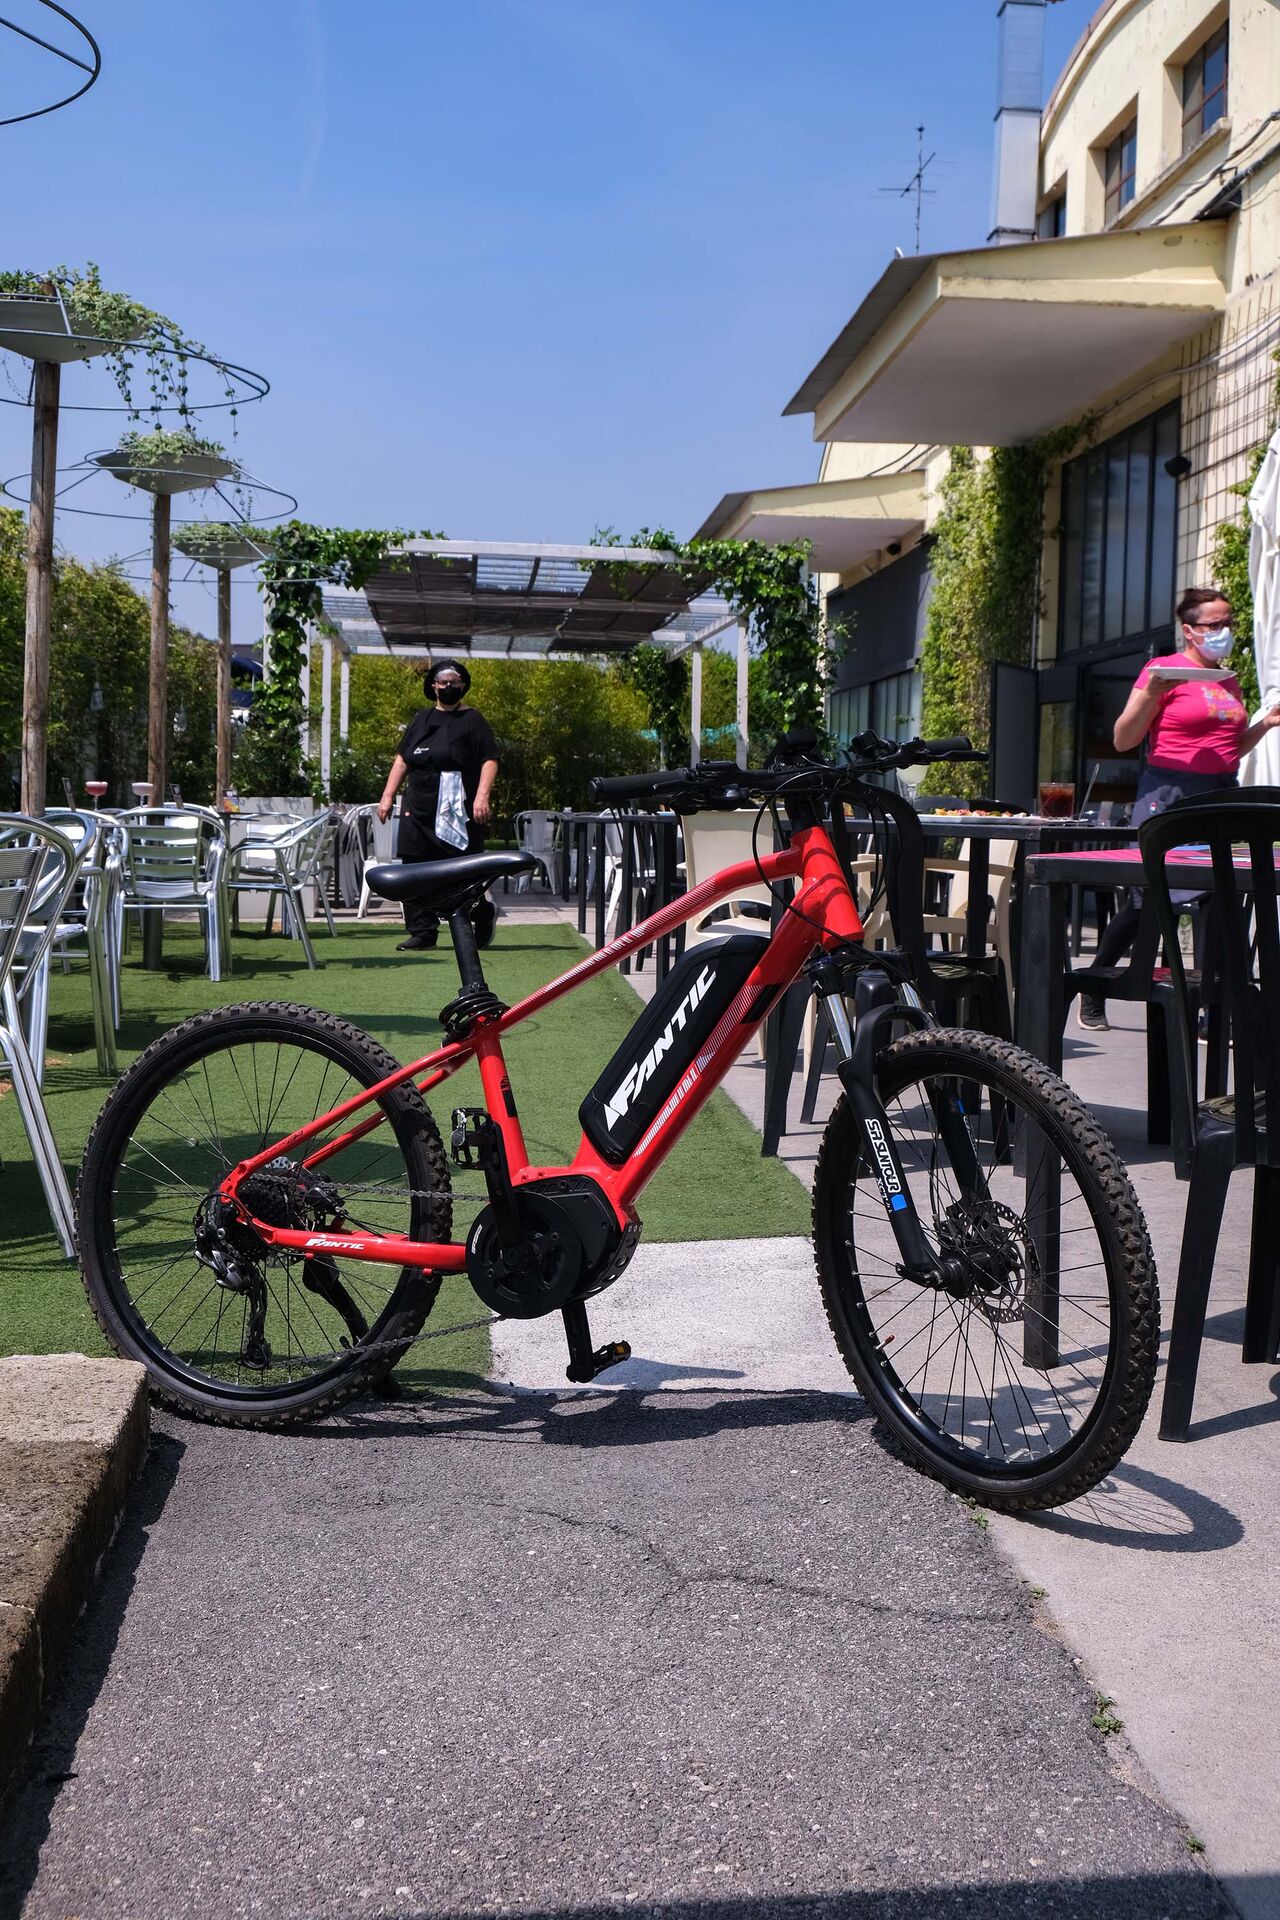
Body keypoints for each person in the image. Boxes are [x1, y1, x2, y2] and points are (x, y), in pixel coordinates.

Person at [1079, 586, 1280, 1029]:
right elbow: (1123, 739)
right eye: (1215, 624)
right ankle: (1094, 986)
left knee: (1216, 896)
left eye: (1229, 622)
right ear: (1190, 631)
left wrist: (1264, 724)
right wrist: (1152, 691)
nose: (1224, 631)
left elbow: (1229, 749)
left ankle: (1208, 1008)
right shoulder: (1162, 670)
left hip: (1221, 794)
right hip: (1169, 793)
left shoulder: (1227, 678)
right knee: (1147, 898)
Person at [378, 658, 500, 952]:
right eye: (443, 682)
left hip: (457, 806)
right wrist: (387, 795)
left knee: (462, 869)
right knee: (413, 867)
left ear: (463, 686)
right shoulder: (421, 719)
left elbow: (490, 760)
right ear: (433, 686)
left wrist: (482, 795)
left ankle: (479, 913)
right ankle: (422, 931)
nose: (448, 687)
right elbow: (402, 760)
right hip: (419, 804)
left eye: (454, 682)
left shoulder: (473, 720)